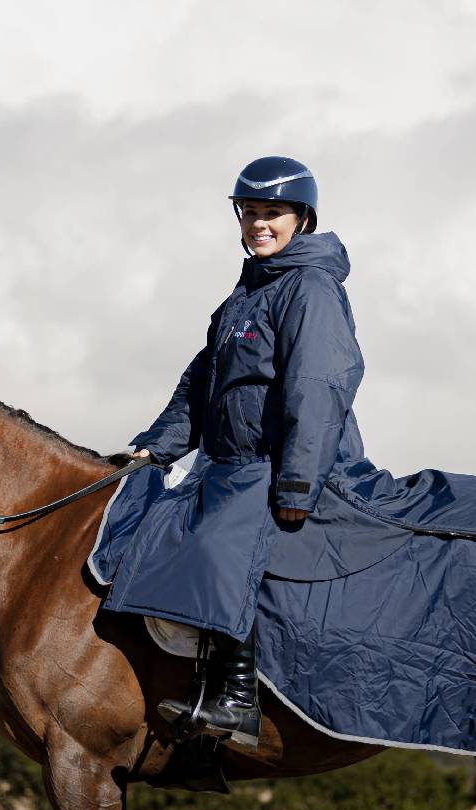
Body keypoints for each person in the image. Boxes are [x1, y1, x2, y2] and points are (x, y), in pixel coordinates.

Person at [105, 155, 365, 748]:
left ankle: (238, 700)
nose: (258, 225)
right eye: (249, 214)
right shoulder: (249, 290)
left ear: (302, 218)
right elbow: (204, 382)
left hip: (285, 466)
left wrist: (297, 486)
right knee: (168, 521)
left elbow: (318, 388)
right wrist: (156, 450)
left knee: (219, 541)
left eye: (272, 213)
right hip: (228, 466)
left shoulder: (311, 288)